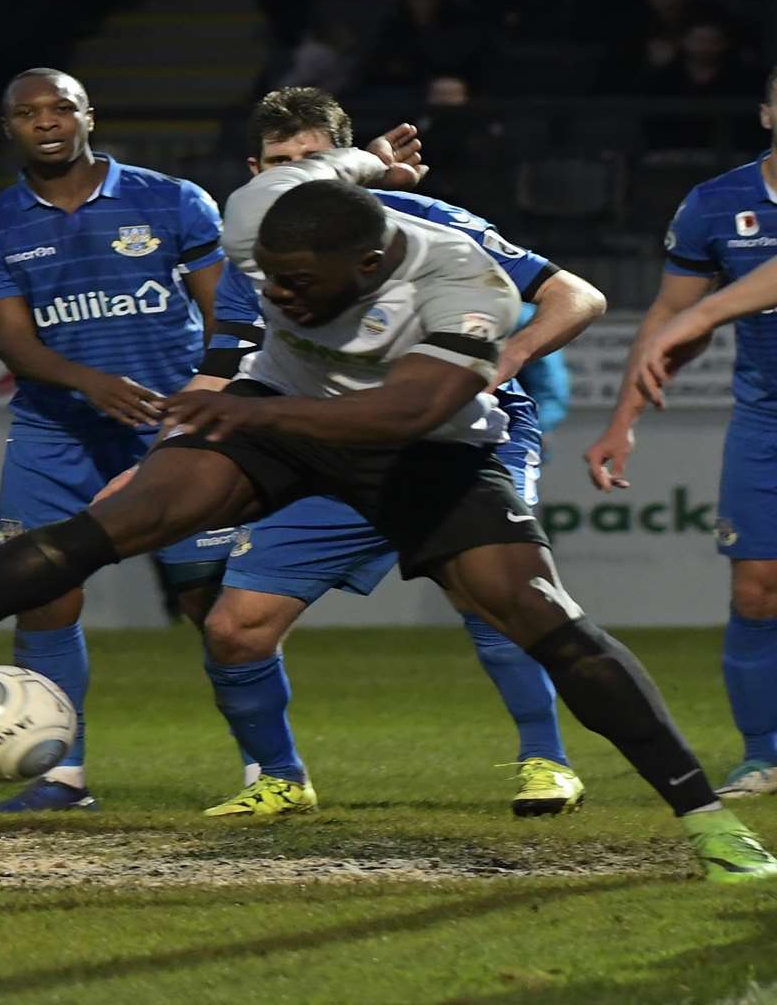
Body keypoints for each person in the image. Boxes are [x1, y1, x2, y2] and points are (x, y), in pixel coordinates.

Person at [0, 129, 777, 883]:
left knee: (546, 620)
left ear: (372, 269)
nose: (273, 294)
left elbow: (406, 412)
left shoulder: (462, 286)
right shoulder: (263, 221)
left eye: (298, 285)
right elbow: (312, 174)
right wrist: (372, 160)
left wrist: (241, 418)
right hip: (281, 412)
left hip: (425, 452)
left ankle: (702, 818)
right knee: (109, 529)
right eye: (267, 277)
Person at [178, 88, 606, 818]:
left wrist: (509, 355)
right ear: (256, 171)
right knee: (233, 626)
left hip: (457, 443)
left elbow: (578, 295)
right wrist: (160, 457)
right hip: (328, 450)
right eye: (281, 165)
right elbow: (225, 367)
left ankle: (546, 763)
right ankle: (280, 779)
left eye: (313, 161)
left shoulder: (432, 222)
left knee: (500, 601)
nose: (298, 178)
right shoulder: (253, 260)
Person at [0, 67, 229, 812]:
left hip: (172, 429)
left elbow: (226, 316)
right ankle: (61, 776)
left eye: (61, 108)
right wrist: (88, 382)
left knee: (214, 606)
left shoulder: (172, 200)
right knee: (42, 597)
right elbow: (16, 347)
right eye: (28, 113)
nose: (46, 122)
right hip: (57, 432)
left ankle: (272, 771)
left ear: (89, 116)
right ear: (9, 129)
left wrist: (209, 394)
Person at [590, 66, 777, 799]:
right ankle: (764, 755)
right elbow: (670, 319)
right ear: (766, 113)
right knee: (758, 589)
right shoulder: (716, 205)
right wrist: (622, 422)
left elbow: (700, 315)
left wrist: (706, 315)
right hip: (766, 420)